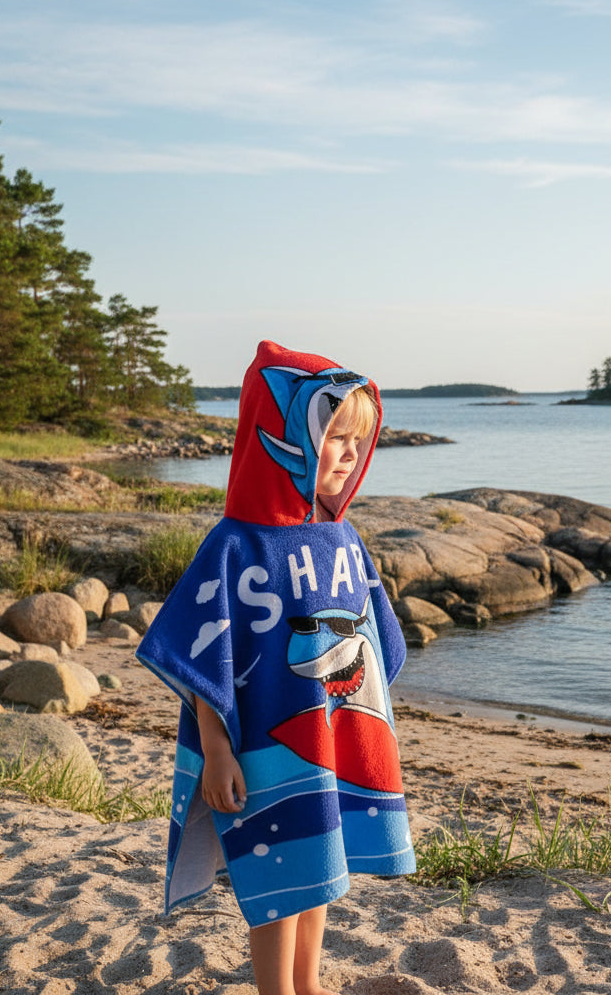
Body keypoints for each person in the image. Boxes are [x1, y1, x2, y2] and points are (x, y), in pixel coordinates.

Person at [136, 340, 415, 995]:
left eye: (358, 441)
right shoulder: (235, 545)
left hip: (326, 739)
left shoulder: (343, 538)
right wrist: (215, 751)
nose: (349, 454)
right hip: (264, 745)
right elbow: (206, 652)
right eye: (335, 437)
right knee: (280, 881)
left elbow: (371, 641)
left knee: (321, 868)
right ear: (287, 440)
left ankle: (307, 982)